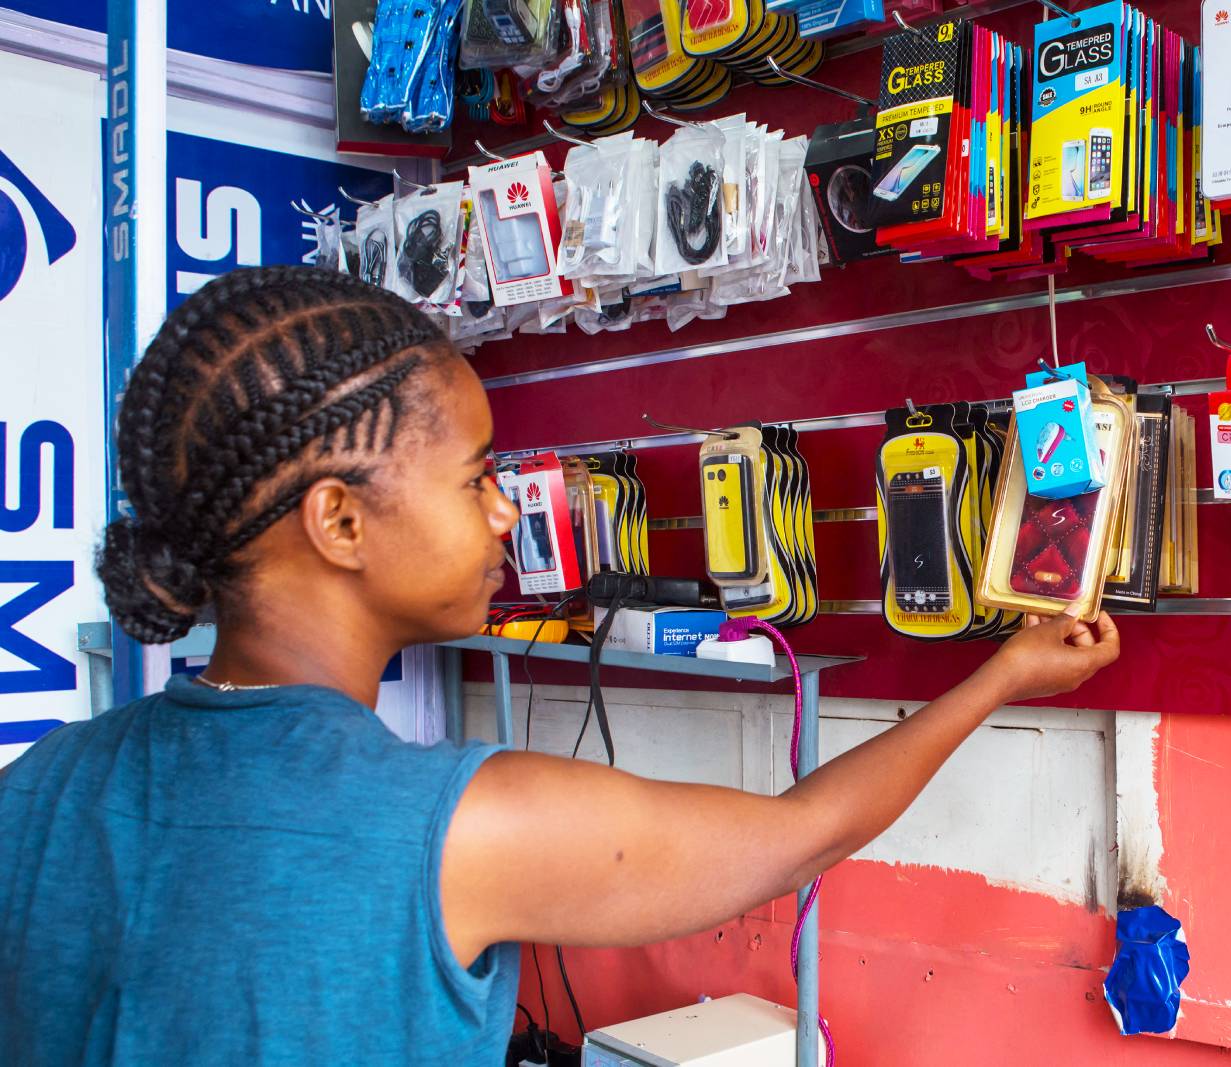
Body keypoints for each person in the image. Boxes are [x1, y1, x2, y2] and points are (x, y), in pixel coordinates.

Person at [0, 267, 1120, 1065]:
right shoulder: (454, 827)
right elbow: (801, 839)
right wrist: (1000, 676)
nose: (504, 516)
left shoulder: (39, 787)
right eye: (475, 478)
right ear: (339, 521)